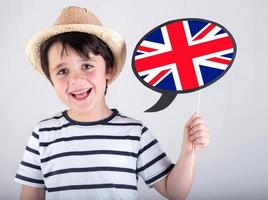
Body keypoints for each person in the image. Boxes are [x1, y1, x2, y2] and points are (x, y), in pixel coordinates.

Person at [14, 6, 210, 200]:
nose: (75, 80)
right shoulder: (43, 134)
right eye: (62, 71)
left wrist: (188, 151)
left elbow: (174, 192)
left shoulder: (135, 133)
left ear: (109, 69)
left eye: (87, 66)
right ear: (51, 79)